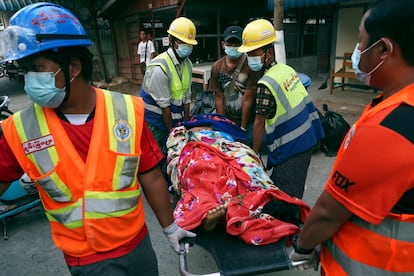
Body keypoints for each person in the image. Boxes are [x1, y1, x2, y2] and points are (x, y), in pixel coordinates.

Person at [0, 3, 195, 275]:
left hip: (139, 248)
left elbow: (150, 176)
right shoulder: (19, 130)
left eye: (36, 68)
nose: (29, 80)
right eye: (26, 70)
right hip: (86, 260)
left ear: (74, 67)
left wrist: (169, 226)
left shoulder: (126, 111)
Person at [289, 0, 414, 274]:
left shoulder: (392, 126)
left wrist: (303, 247)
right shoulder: (396, 104)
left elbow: (328, 212)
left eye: (360, 41)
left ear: (383, 48)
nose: (357, 51)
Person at [238, 19, 325, 199]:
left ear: (268, 53)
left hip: (291, 147)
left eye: (254, 53)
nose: (250, 58)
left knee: (286, 199)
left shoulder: (266, 83)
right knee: (294, 191)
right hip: (308, 137)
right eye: (249, 54)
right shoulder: (286, 69)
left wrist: (254, 155)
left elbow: (259, 124)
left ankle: (294, 224)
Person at [139, 17, 197, 152]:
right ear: (171, 40)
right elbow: (165, 107)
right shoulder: (159, 68)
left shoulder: (187, 64)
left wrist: (186, 126)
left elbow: (187, 98)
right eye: (182, 42)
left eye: (189, 43)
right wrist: (173, 136)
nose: (187, 47)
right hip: (154, 122)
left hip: (174, 119)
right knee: (159, 156)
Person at [209, 26, 261, 133]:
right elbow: (219, 97)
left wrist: (243, 127)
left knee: (248, 140)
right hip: (227, 115)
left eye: (237, 44)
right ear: (223, 45)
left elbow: (248, 97)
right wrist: (222, 122)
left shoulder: (250, 65)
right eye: (230, 44)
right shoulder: (216, 67)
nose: (234, 47)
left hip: (247, 117)